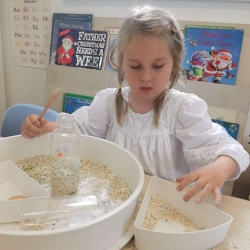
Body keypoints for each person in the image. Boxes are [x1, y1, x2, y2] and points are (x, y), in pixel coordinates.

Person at [21, 5, 249, 206]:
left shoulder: (183, 109)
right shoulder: (109, 102)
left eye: (157, 66)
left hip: (163, 205)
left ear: (174, 64)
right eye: (135, 66)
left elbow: (230, 150)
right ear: (121, 64)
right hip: (112, 201)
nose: (146, 77)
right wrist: (45, 127)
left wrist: (220, 168)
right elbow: (79, 133)